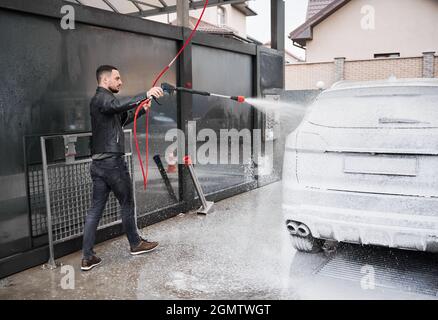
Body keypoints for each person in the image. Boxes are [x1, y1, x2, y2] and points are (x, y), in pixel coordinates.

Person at [81, 65, 164, 271]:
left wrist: (141, 111)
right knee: (127, 203)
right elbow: (117, 106)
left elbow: (121, 119)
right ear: (105, 80)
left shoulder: (104, 103)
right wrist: (145, 94)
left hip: (99, 165)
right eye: (117, 78)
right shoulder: (102, 98)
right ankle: (135, 244)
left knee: (95, 211)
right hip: (112, 164)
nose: (120, 82)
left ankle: (88, 257)